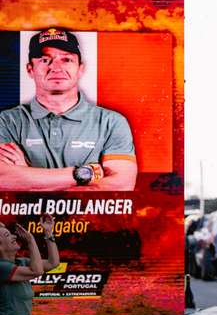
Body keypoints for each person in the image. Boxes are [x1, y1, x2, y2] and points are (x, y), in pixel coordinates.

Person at [0, 28, 137, 192]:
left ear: (80, 69)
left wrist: (28, 179)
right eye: (45, 60)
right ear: (30, 69)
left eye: (66, 60)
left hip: (88, 218)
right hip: (25, 218)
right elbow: (3, 179)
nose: (56, 68)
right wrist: (82, 174)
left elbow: (121, 184)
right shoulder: (7, 121)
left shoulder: (111, 122)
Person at [1, 214, 58, 315]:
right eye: (8, 235)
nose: (14, 236)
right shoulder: (2, 267)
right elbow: (37, 271)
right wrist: (31, 241)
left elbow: (53, 263)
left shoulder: (22, 262)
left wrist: (48, 233)